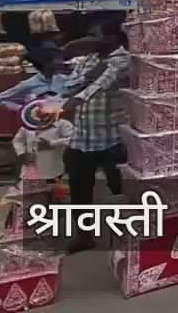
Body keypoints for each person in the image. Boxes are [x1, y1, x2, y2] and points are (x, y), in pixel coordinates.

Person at [59, 20, 129, 253]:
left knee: (122, 188)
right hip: (82, 138)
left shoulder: (123, 59)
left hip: (113, 139)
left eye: (95, 35)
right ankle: (84, 236)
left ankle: (131, 236)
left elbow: (101, 83)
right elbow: (69, 85)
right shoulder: (89, 59)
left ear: (111, 38)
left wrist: (77, 96)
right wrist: (83, 80)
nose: (89, 40)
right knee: (80, 190)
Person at [0, 44, 72, 110]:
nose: (61, 62)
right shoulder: (28, 84)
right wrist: (23, 109)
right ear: (47, 63)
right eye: (57, 59)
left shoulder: (64, 79)